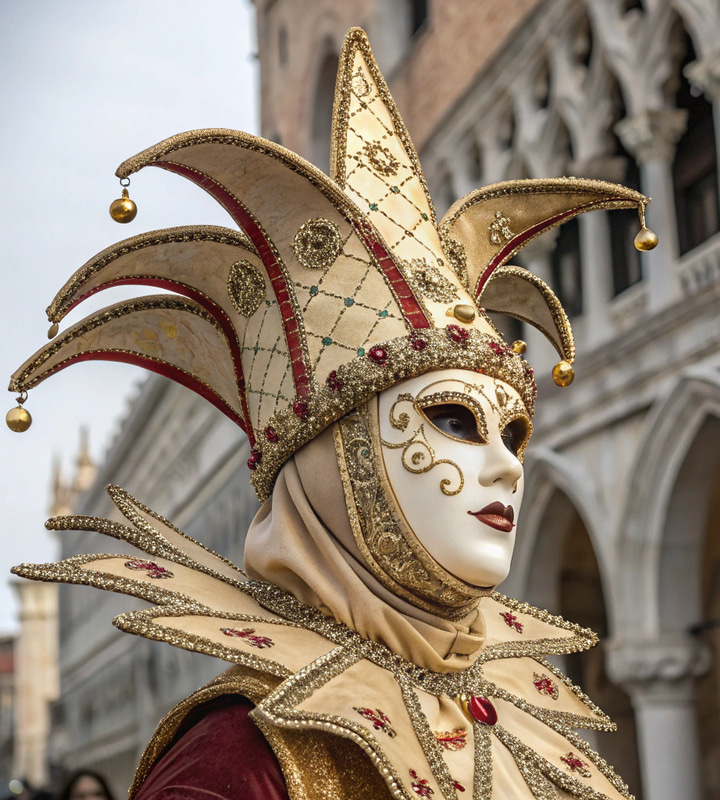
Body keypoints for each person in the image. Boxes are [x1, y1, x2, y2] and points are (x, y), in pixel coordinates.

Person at [9, 27, 656, 800]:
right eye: (453, 419)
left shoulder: (511, 723)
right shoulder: (237, 764)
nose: (508, 464)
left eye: (515, 431)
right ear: (337, 466)